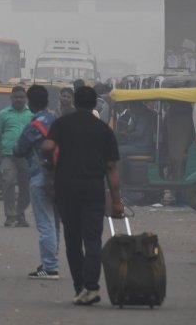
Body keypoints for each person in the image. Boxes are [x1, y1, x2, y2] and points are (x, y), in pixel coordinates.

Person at [42, 86, 123, 306]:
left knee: (73, 239)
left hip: (66, 190)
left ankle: (80, 288)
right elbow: (111, 167)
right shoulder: (104, 130)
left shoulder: (62, 123)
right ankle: (92, 287)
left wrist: (49, 156)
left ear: (75, 102)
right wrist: (116, 201)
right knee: (93, 239)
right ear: (95, 105)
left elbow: (48, 146)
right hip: (93, 190)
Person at [13, 85, 59, 280]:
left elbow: (19, 149)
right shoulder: (56, 121)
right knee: (55, 221)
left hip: (41, 177)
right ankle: (51, 261)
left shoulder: (33, 126)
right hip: (59, 177)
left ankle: (49, 267)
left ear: (30, 102)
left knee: (45, 223)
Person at [0, 86, 33, 227]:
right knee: (8, 182)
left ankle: (20, 214)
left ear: (25, 98)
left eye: (21, 97)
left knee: (26, 188)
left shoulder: (31, 114)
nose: (19, 99)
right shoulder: (3, 114)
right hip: (8, 155)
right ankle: (10, 215)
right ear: (11, 98)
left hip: (27, 156)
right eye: (16, 97)